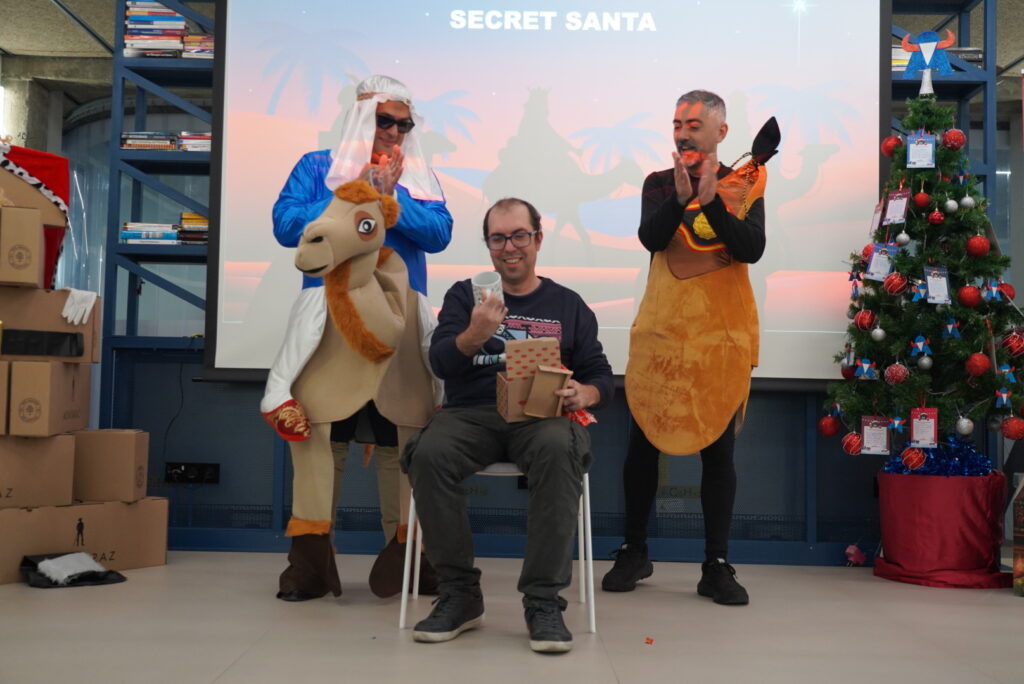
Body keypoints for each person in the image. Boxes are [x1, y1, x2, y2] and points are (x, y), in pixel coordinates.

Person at [263, 75, 453, 600]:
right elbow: (285, 224)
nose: (394, 131)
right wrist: (359, 196)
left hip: (401, 324)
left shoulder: (420, 176)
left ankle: (414, 559)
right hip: (330, 322)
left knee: (404, 440)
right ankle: (308, 565)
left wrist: (393, 197)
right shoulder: (317, 167)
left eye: (403, 123)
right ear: (362, 117)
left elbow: (439, 234)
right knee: (325, 438)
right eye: (385, 119)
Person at [402, 198, 613, 653]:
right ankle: (460, 595)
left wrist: (586, 393)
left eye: (519, 235)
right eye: (498, 238)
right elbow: (440, 363)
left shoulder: (568, 305)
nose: (509, 247)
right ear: (489, 247)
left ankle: (543, 602)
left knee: (561, 448)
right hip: (472, 413)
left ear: (537, 239)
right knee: (430, 452)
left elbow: (600, 374)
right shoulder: (464, 296)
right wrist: (473, 334)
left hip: (541, 416)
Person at [602, 90, 777, 606]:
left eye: (694, 124)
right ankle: (635, 550)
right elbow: (651, 240)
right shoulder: (659, 183)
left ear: (721, 133)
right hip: (663, 334)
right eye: (677, 122)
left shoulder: (745, 183)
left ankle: (716, 565)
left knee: (718, 452)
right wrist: (681, 197)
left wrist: (709, 201)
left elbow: (751, 248)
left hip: (720, 337)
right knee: (643, 445)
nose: (682, 131)